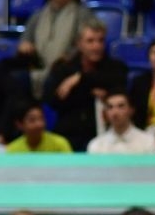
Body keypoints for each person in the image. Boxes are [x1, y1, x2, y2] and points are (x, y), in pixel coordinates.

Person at [41, 21, 125, 150]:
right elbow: (53, 99)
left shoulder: (116, 68)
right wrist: (91, 88)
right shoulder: (63, 68)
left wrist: (79, 79)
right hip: (68, 135)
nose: (96, 46)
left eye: (100, 41)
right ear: (79, 44)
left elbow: (116, 88)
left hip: (102, 137)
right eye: (90, 41)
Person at [16, 0, 98, 73]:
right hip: (36, 65)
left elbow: (86, 45)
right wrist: (25, 45)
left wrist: (69, 56)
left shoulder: (83, 15)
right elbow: (25, 40)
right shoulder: (38, 15)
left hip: (67, 68)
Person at [87, 90, 155, 155]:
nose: (115, 112)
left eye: (121, 106)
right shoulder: (96, 145)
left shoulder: (148, 142)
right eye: (110, 107)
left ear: (131, 110)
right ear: (105, 112)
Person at [4, 99, 72, 153]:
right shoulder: (12, 150)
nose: (39, 124)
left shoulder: (60, 144)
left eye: (41, 118)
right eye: (32, 120)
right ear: (19, 124)